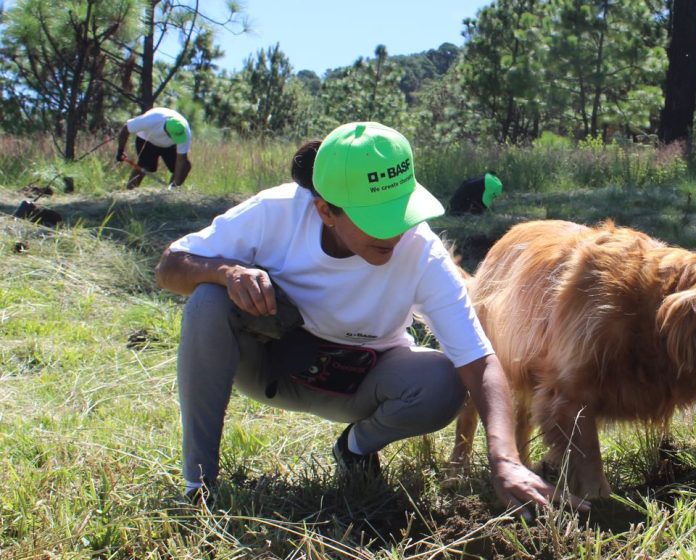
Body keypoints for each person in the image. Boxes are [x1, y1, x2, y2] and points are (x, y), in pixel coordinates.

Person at [155, 121, 586, 515]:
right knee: (208, 300)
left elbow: (478, 359)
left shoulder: (420, 249)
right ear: (326, 210)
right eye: (376, 220)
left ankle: (355, 448)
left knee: (444, 380)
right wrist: (225, 272)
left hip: (360, 382)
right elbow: (169, 265)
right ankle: (200, 485)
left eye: (400, 213)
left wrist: (504, 458)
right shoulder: (276, 213)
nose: (394, 234)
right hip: (270, 367)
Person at [115, 107, 192, 189]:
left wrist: (176, 184)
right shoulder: (151, 120)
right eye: (174, 136)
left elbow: (181, 159)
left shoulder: (184, 131)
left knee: (185, 167)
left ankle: (172, 192)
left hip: (169, 146)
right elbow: (125, 129)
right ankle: (129, 193)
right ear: (166, 131)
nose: (176, 139)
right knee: (144, 165)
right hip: (147, 139)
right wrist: (120, 150)